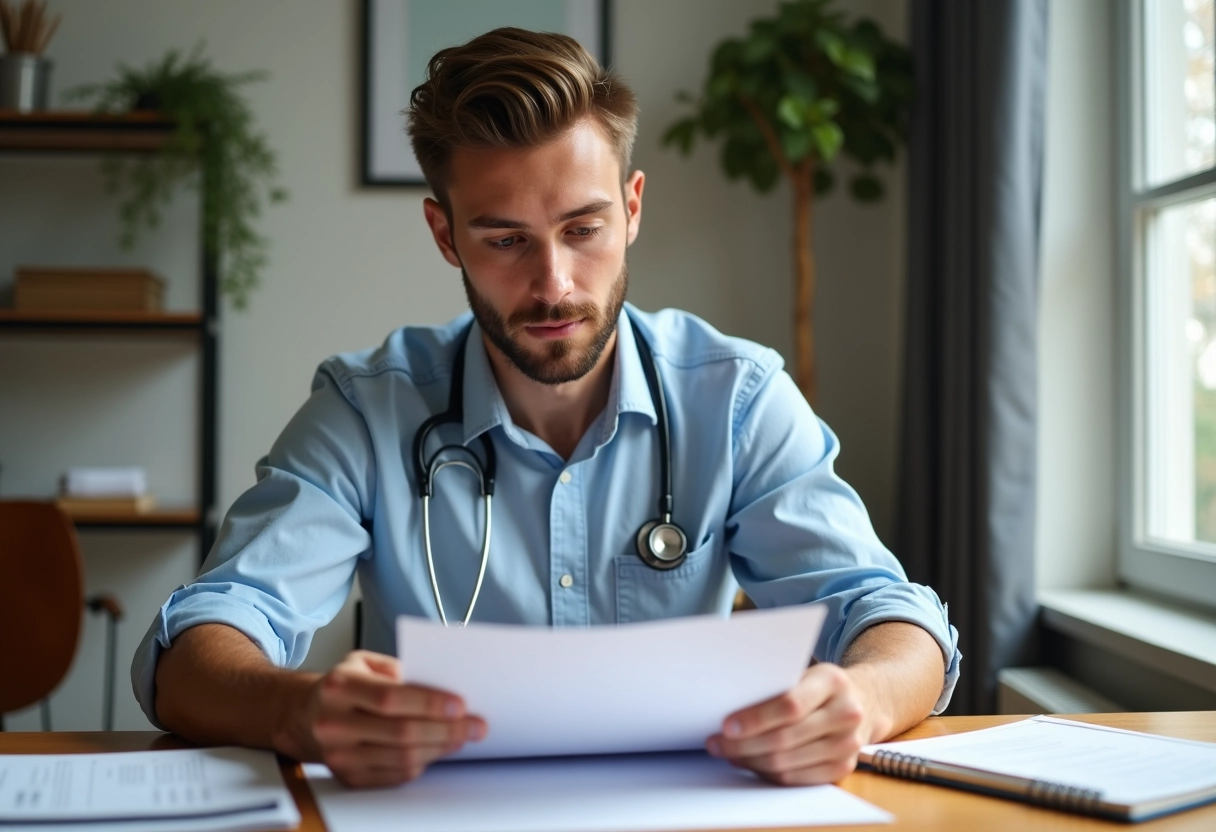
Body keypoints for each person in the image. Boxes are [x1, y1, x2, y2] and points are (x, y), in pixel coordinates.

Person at [132, 27, 960, 790]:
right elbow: (197, 643)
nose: (554, 283)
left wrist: (862, 699)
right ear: (445, 234)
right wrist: (299, 710)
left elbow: (889, 614)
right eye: (504, 240)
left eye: (583, 229)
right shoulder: (366, 408)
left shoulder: (735, 399)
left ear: (632, 209)